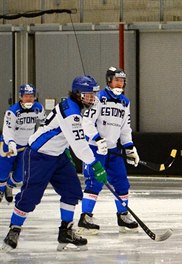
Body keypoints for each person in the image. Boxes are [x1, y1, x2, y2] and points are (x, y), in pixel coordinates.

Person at [1, 75, 108, 252]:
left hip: (58, 156)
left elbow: (80, 127)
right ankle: (14, 229)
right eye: (89, 94)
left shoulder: (76, 107)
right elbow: (79, 144)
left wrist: (95, 138)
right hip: (39, 155)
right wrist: (95, 165)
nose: (93, 98)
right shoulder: (71, 113)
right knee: (30, 195)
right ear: (77, 93)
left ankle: (65, 231)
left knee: (72, 191)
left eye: (93, 94)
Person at [77, 67, 140, 235]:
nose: (120, 83)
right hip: (95, 148)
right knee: (94, 182)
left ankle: (123, 216)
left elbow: (125, 128)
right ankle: (85, 219)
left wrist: (129, 148)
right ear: (109, 81)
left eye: (122, 80)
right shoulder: (98, 98)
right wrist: (97, 139)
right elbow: (87, 122)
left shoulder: (125, 102)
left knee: (122, 182)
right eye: (116, 80)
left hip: (112, 149)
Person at [1, 84, 46, 203]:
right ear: (20, 97)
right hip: (9, 144)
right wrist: (10, 142)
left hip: (26, 145)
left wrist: (40, 139)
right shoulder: (12, 111)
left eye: (31, 96)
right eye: (26, 96)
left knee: (21, 174)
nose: (29, 99)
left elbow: (44, 125)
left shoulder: (39, 108)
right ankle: (0, 189)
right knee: (2, 171)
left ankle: (9, 186)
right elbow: (7, 129)